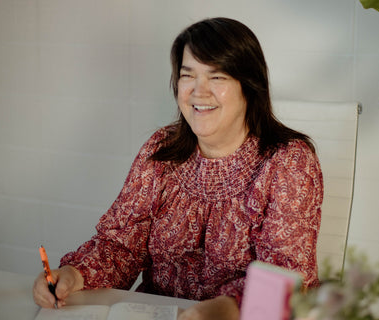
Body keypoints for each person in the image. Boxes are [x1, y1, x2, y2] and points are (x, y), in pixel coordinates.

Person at [33, 17, 323, 320]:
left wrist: (225, 308)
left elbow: (285, 277)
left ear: (249, 86)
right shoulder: (161, 150)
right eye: (188, 76)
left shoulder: (289, 162)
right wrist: (72, 274)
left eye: (217, 77)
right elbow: (122, 246)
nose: (199, 92)